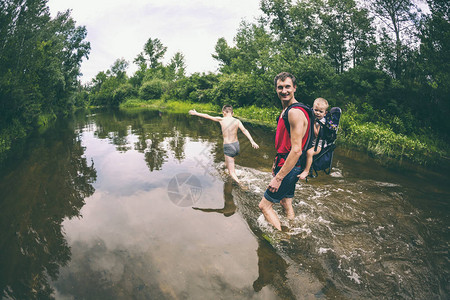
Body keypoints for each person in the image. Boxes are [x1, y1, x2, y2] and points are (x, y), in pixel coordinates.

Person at [258, 72, 310, 231]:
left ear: (294, 88)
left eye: (287, 86)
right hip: (291, 165)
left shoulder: (294, 112)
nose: (284, 91)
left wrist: (279, 178)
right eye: (280, 87)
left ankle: (281, 239)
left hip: (290, 166)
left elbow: (296, 151)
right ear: (276, 89)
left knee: (264, 206)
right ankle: (292, 228)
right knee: (286, 201)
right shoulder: (292, 110)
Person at [189, 105, 259, 182]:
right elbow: (244, 130)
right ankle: (227, 168)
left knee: (231, 172)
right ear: (232, 113)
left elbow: (207, 116)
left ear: (223, 112)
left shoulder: (221, 119)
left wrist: (196, 113)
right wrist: (252, 141)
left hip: (228, 146)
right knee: (229, 162)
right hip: (236, 146)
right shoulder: (237, 121)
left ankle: (242, 185)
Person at [298, 97, 329, 180]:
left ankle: (306, 171)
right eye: (316, 110)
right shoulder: (313, 117)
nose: (317, 113)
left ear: (325, 113)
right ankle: (300, 167)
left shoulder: (321, 122)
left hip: (319, 144)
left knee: (309, 153)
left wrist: (313, 122)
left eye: (320, 111)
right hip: (312, 142)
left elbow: (317, 134)